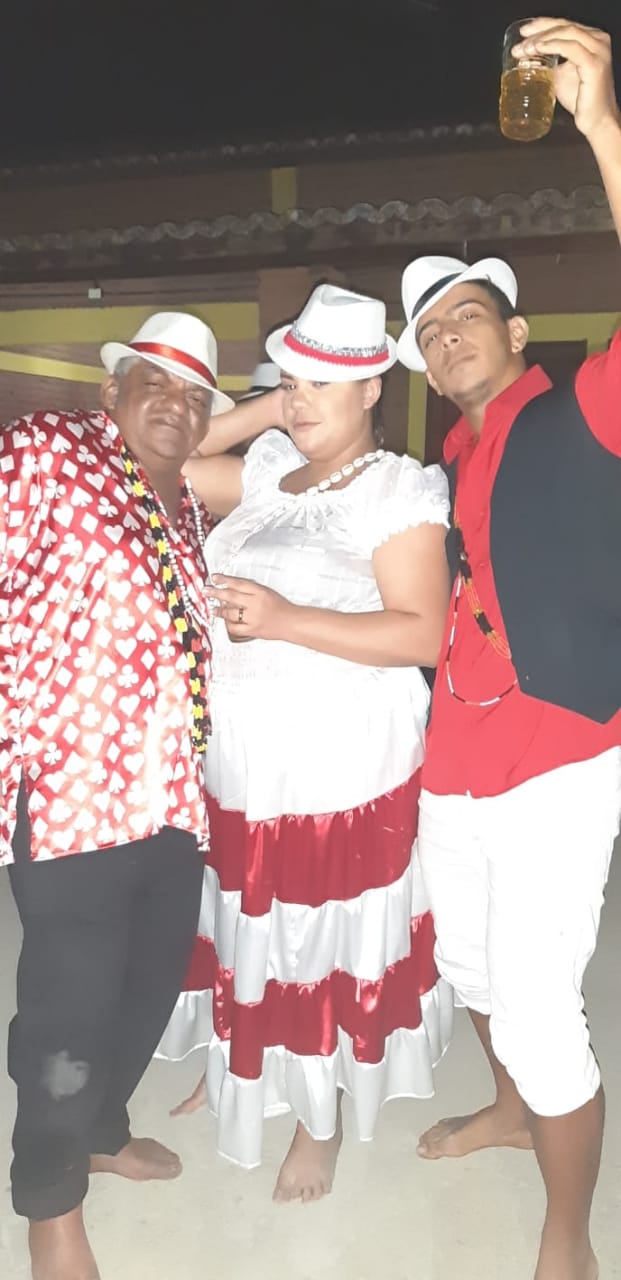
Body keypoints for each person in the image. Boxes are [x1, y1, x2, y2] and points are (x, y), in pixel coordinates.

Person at [396, 20, 621, 1280]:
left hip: (561, 750)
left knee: (540, 1003)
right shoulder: (444, 460)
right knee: (472, 965)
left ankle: (567, 1230)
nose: (447, 338)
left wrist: (602, 125)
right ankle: (508, 1109)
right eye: (430, 331)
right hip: (457, 760)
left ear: (520, 334)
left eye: (468, 316)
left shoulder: (581, 410)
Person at [157, 282, 454, 1202]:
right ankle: (243, 1065)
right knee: (246, 919)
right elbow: (168, 458)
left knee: (316, 937)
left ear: (373, 388)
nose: (301, 398)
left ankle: (316, 1116)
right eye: (292, 379)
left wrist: (286, 618)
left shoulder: (396, 489)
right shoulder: (266, 469)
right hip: (243, 755)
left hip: (337, 762)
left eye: (324, 382)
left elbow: (423, 634)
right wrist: (273, 405)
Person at [0, 311, 234, 1280]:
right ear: (112, 391)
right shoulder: (47, 451)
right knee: (69, 1007)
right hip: (72, 795)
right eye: (156, 383)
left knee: (147, 982)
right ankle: (50, 1204)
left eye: (195, 395)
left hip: (171, 798)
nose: (175, 405)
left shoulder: (185, 509)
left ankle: (99, 1130)